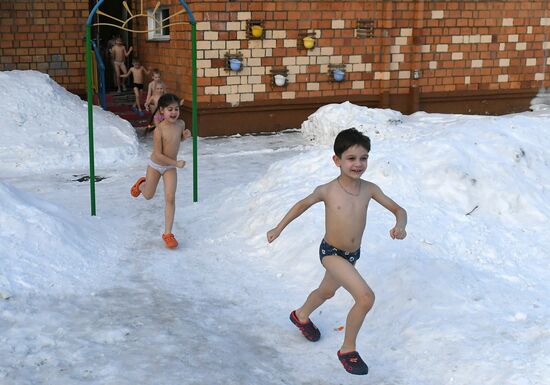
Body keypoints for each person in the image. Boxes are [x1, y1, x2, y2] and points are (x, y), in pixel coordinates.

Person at [266, 128, 407, 376]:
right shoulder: (327, 190)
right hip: (331, 253)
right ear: (337, 160)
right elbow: (301, 204)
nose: (358, 164)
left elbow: (398, 209)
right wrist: (278, 228)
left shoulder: (370, 189)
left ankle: (301, 315)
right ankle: (347, 350)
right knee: (365, 298)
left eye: (363, 158)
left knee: (326, 292)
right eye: (351, 158)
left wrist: (400, 225)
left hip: (352, 256)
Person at [130, 93, 192, 249]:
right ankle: (142, 184)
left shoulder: (181, 124)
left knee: (170, 198)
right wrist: (176, 162)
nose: (174, 113)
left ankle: (168, 233)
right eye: (170, 109)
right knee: (149, 196)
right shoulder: (159, 130)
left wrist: (184, 137)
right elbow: (158, 154)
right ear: (162, 111)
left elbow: (176, 140)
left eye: (176, 109)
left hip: (170, 167)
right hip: (156, 166)